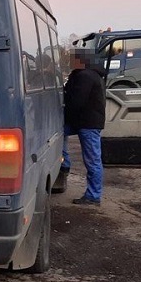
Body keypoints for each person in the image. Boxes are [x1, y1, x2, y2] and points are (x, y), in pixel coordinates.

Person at [56, 50, 106, 205]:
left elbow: (76, 101)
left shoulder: (85, 76)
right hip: (84, 121)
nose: (72, 62)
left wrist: (61, 110)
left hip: (87, 123)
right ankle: (64, 165)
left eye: (74, 59)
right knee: (58, 134)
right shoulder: (90, 74)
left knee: (92, 161)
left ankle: (93, 196)